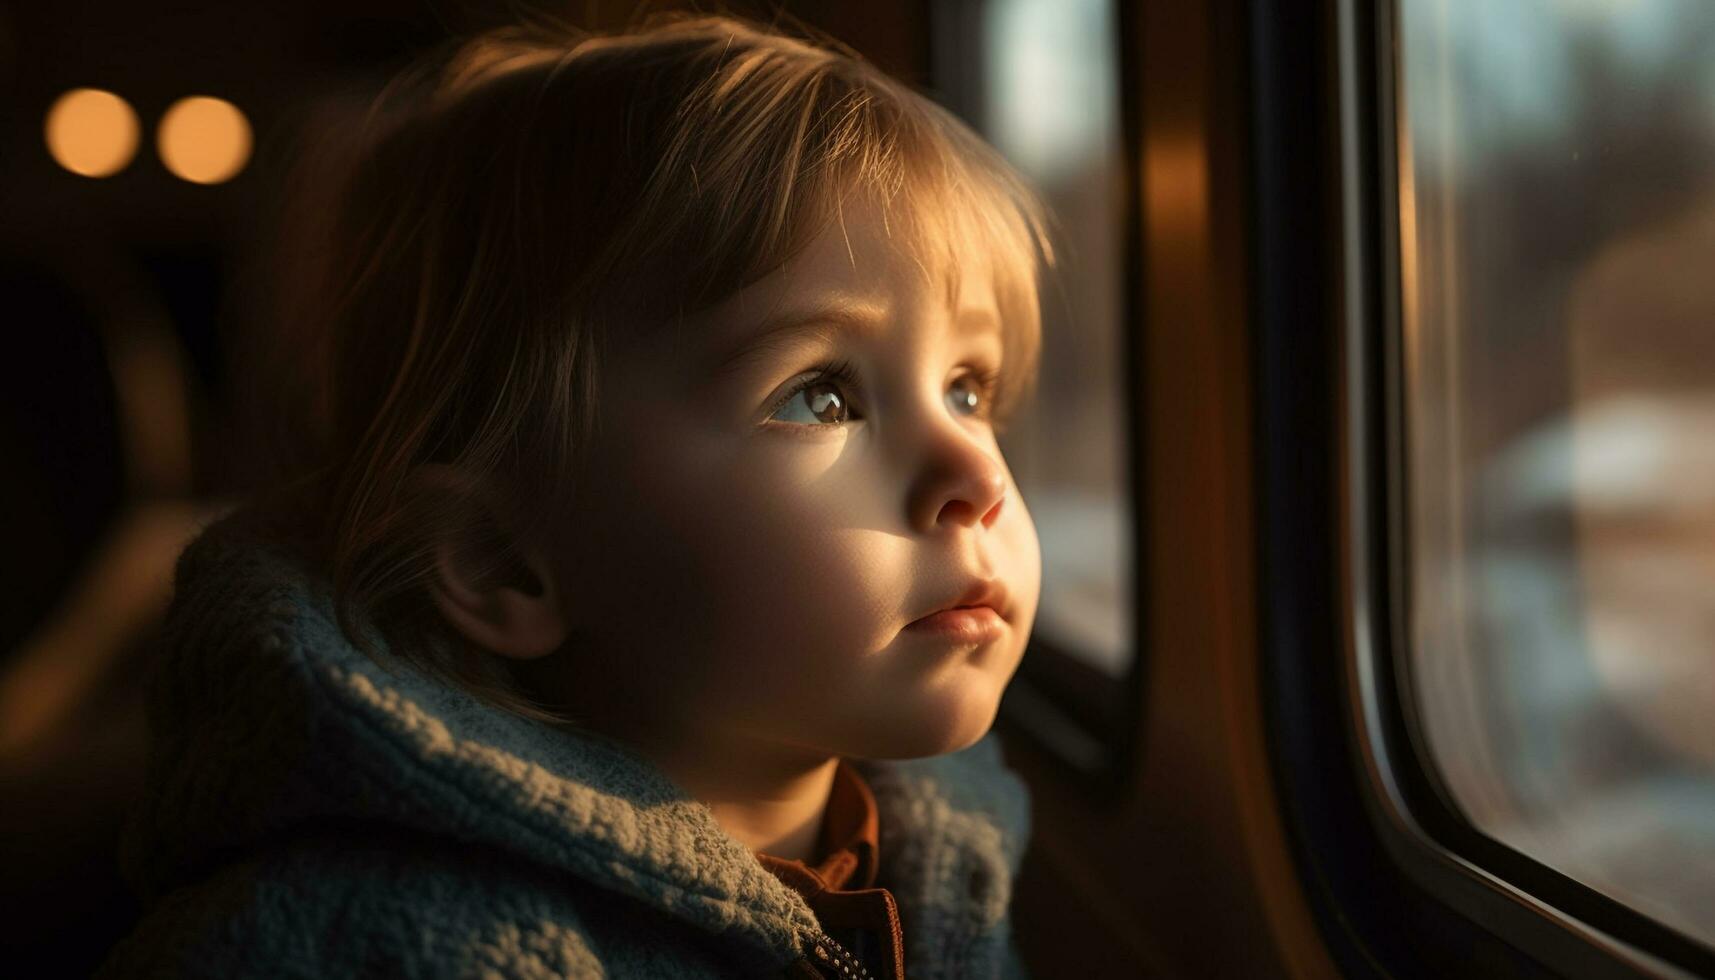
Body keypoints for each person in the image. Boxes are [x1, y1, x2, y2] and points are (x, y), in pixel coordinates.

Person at [97, 12, 1052, 979]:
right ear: (504, 562)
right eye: (821, 396)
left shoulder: (941, 857)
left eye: (968, 390)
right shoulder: (377, 940)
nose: (976, 478)